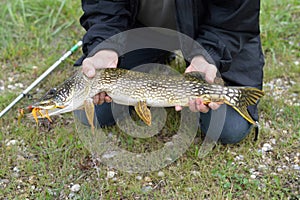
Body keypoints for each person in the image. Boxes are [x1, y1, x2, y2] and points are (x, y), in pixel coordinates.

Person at [76, 0, 264, 144]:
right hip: (144, 27)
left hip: (221, 30)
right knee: (92, 113)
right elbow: (103, 5)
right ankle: (158, 53)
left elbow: (234, 16)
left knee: (229, 127)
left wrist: (207, 57)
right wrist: (105, 46)